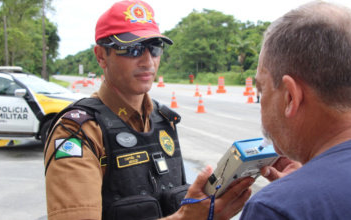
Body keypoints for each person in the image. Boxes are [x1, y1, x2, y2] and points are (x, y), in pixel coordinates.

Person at [44, 1, 253, 220]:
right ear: (101, 56)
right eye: (132, 49)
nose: (148, 61)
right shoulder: (77, 132)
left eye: (154, 48)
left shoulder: (164, 120)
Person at [239, 1, 351, 219]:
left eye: (261, 90)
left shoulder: (276, 209)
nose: (260, 103)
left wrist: (294, 194)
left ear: (291, 97)